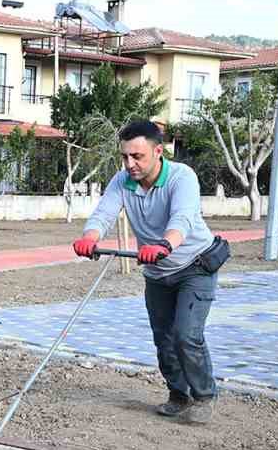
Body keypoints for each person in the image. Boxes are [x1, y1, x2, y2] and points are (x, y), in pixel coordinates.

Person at [70, 120, 219, 423]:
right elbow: (104, 213)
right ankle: (178, 395)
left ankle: (204, 396)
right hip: (157, 273)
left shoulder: (182, 177)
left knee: (186, 335)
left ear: (158, 151)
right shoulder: (122, 180)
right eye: (125, 157)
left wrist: (165, 244)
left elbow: (183, 219)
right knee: (163, 338)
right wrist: (90, 237)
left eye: (137, 156)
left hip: (194, 266)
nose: (130, 164)